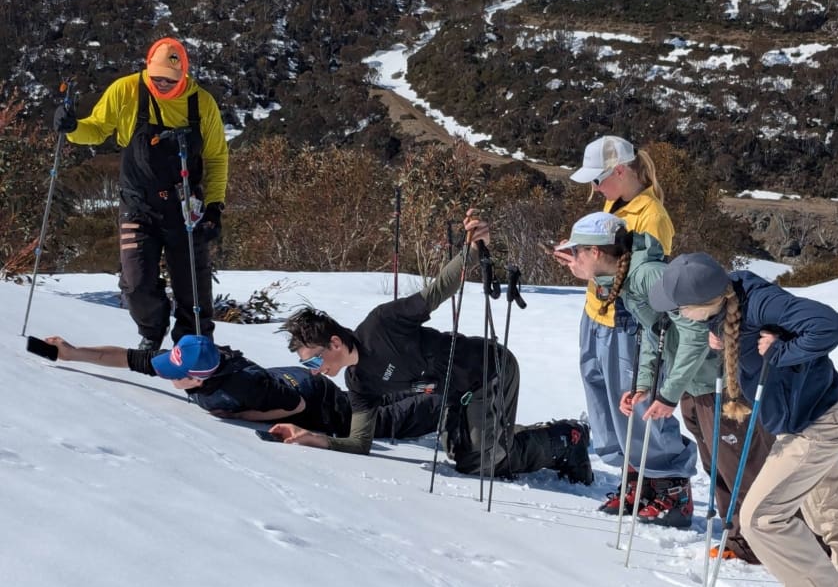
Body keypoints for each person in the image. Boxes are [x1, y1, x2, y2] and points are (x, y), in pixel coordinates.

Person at [648, 253, 838, 587]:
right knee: (835, 517)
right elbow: (739, 332)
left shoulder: (761, 303)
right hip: (814, 416)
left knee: (761, 516)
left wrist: (781, 351)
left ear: (701, 301)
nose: (677, 314)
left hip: (818, 423)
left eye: (680, 308)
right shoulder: (728, 305)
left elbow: (829, 326)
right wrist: (722, 335)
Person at [275, 210, 593, 485]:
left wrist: (468, 251)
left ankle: (566, 439)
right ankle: (517, 435)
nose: (315, 370)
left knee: (481, 462)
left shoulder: (382, 324)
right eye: (308, 367)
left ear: (334, 342)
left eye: (314, 360)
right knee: (462, 450)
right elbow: (360, 443)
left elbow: (438, 290)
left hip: (486, 369)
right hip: (455, 394)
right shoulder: (358, 383)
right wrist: (316, 440)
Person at [54, 37, 229, 350]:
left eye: (170, 80)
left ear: (183, 76)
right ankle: (152, 333)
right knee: (136, 283)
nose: (161, 84)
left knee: (193, 286)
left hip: (186, 206)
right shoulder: (126, 91)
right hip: (138, 202)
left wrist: (215, 207)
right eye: (156, 77)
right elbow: (95, 129)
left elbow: (216, 157)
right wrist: (71, 127)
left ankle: (194, 348)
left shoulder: (201, 103)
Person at [552, 135, 679, 512]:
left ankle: (669, 488)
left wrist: (589, 269)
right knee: (605, 402)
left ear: (620, 170)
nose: (594, 188)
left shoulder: (651, 217)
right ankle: (634, 479)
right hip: (596, 314)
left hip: (627, 322)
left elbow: (645, 281)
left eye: (597, 179)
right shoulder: (614, 201)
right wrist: (580, 255)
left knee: (636, 404)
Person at [557, 212, 702, 527]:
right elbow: (654, 329)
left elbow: (689, 328)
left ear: (596, 252)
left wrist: (666, 390)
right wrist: (644, 383)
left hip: (700, 370)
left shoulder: (647, 275)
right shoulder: (619, 278)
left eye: (576, 251)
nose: (572, 259)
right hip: (671, 363)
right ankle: (644, 484)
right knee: (618, 407)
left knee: (647, 415)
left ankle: (673, 491)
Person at [43, 334, 440, 440]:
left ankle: (443, 401)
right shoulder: (188, 362)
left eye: (174, 374)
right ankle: (423, 389)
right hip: (287, 381)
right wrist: (72, 352)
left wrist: (237, 414)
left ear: (201, 378)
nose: (167, 375)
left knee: (380, 421)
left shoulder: (242, 386)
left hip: (313, 399)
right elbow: (126, 358)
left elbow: (295, 406)